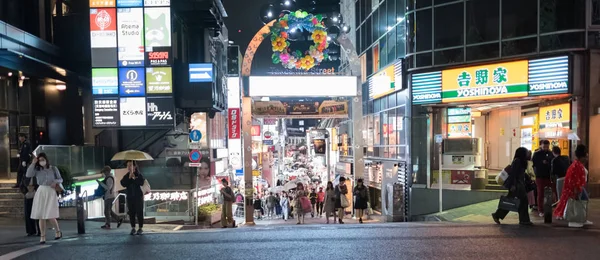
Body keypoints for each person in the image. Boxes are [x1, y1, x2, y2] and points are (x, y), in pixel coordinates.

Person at [26, 153, 62, 244]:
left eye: (43, 159)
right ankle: (42, 236)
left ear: (46, 159)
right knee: (41, 215)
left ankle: (58, 231)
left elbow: (60, 179)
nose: (42, 161)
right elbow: (28, 174)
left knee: (50, 215)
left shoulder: (53, 168)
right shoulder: (37, 169)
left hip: (51, 190)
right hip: (41, 190)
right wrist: (33, 163)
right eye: (40, 160)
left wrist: (55, 182)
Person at [492, 147, 533, 226]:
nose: (527, 153)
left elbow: (522, 172)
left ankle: (497, 215)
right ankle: (524, 220)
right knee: (523, 202)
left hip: (520, 184)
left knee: (511, 201)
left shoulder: (522, 161)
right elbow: (513, 174)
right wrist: (513, 185)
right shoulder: (517, 161)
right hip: (517, 185)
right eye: (526, 152)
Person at [553, 145, 592, 227]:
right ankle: (574, 220)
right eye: (586, 157)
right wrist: (576, 190)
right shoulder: (576, 165)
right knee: (575, 203)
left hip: (578, 187)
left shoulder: (577, 164)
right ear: (582, 157)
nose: (587, 159)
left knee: (583, 201)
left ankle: (582, 218)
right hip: (575, 188)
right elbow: (574, 179)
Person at [120, 161, 145, 235]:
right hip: (130, 197)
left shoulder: (138, 175)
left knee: (139, 212)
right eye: (128, 166)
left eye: (130, 165)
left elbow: (141, 182)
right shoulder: (127, 175)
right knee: (131, 213)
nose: (129, 167)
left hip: (138, 197)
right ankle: (133, 228)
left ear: (134, 167)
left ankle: (140, 228)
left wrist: (134, 178)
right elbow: (123, 183)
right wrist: (129, 178)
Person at [532, 140, 556, 216]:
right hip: (540, 176)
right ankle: (540, 210)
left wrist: (548, 163)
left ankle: (549, 208)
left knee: (550, 193)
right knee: (540, 193)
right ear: (540, 146)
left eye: (547, 146)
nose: (546, 148)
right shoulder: (536, 154)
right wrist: (541, 164)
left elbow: (553, 163)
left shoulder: (550, 153)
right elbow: (533, 164)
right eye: (544, 146)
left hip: (549, 176)